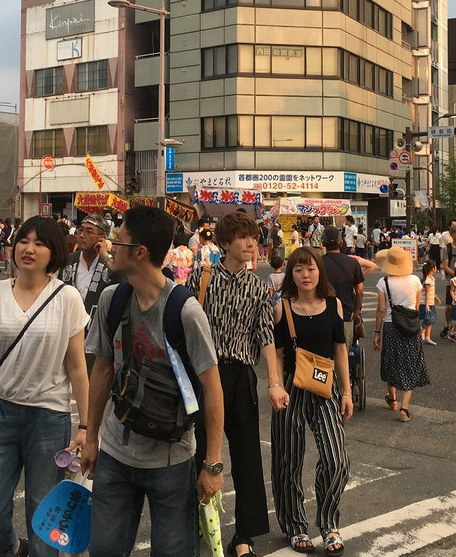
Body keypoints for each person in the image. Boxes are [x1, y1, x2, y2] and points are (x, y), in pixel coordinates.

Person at [81, 205, 224, 556]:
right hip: (115, 452)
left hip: (171, 460)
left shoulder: (184, 311)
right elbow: (101, 370)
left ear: (140, 252)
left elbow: (212, 388)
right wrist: (89, 435)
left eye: (119, 240)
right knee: (104, 550)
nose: (111, 245)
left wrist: (213, 464)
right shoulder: (112, 300)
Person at [0, 216, 89, 557]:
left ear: (53, 252)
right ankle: (11, 549)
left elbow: (77, 365)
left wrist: (85, 425)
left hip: (48, 417)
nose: (29, 248)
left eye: (39, 243)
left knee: (45, 521)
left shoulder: (67, 297)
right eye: (24, 240)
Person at [184, 211, 286, 557]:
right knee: (195, 450)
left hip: (241, 375)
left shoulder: (259, 286)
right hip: (203, 374)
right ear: (224, 243)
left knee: (247, 456)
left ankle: (244, 536)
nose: (250, 243)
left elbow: (265, 336)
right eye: (242, 237)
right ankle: (193, 520)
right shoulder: (201, 278)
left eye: (253, 237)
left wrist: (274, 382)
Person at [271, 246, 351, 555]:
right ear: (291, 274)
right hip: (291, 386)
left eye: (311, 268)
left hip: (326, 384)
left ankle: (328, 522)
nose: (306, 275)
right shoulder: (283, 308)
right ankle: (295, 526)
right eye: (299, 269)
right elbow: (276, 354)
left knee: (336, 459)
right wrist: (276, 386)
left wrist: (346, 392)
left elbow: (340, 350)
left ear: (320, 272)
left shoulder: (334, 306)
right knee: (288, 458)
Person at [373, 246, 430, 422]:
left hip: (391, 326)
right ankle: (405, 409)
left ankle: (393, 399)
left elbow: (381, 309)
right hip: (412, 326)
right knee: (410, 363)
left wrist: (377, 332)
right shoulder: (415, 280)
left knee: (391, 361)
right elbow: (416, 305)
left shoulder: (384, 282)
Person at [58, 214, 113, 319]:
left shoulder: (111, 264)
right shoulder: (67, 260)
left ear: (102, 238)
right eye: (80, 230)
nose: (82, 235)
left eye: (89, 231)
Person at [321, 225, 365, 351]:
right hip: (345, 314)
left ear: (323, 243)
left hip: (321, 315)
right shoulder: (353, 263)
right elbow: (360, 291)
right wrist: (356, 313)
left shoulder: (317, 263)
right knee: (343, 353)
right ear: (341, 243)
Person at [419, 260, 439, 345]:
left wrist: (436, 297)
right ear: (433, 269)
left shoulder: (432, 279)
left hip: (431, 302)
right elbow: (427, 293)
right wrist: (427, 305)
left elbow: (431, 292)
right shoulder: (427, 280)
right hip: (425, 303)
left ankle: (428, 337)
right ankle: (422, 330)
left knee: (430, 319)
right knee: (428, 319)